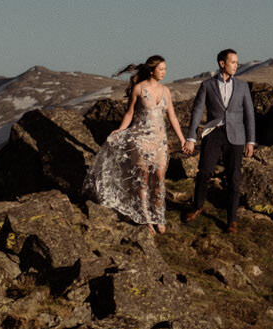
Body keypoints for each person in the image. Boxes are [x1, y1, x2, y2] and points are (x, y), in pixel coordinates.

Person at [89, 55, 194, 232]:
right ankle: (145, 218)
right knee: (143, 179)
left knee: (159, 179)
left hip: (160, 141)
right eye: (161, 69)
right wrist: (120, 130)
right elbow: (130, 113)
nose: (164, 72)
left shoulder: (166, 91)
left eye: (165, 69)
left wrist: (183, 139)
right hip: (140, 140)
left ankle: (158, 216)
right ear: (151, 70)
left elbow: (173, 117)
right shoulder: (139, 89)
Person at [187, 47, 257, 228]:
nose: (236, 65)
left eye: (237, 62)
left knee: (234, 177)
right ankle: (197, 206)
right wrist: (191, 137)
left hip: (236, 136)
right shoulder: (207, 85)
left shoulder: (242, 86)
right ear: (222, 63)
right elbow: (197, 111)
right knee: (204, 172)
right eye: (233, 62)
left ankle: (232, 219)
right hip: (213, 134)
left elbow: (249, 114)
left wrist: (250, 141)